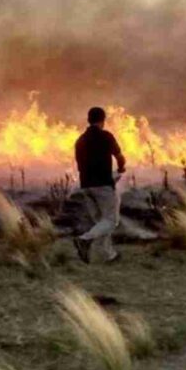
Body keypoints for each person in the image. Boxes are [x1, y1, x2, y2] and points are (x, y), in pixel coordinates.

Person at [73, 107, 126, 264]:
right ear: (103, 120)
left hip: (85, 185)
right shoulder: (106, 136)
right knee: (111, 220)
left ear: (89, 120)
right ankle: (84, 240)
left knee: (101, 223)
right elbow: (120, 157)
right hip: (102, 184)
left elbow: (79, 165)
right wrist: (120, 169)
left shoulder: (80, 140)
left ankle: (109, 255)